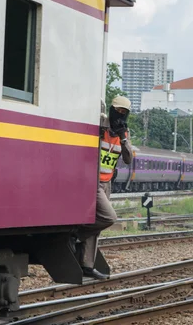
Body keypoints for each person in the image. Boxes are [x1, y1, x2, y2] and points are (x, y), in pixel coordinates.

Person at [76, 96, 133, 280]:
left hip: (107, 183)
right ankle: (76, 237)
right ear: (111, 108)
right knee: (109, 217)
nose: (120, 114)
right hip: (92, 181)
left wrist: (124, 139)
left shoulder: (124, 132)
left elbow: (128, 159)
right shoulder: (100, 123)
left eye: (124, 112)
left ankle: (87, 265)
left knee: (97, 224)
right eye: (118, 110)